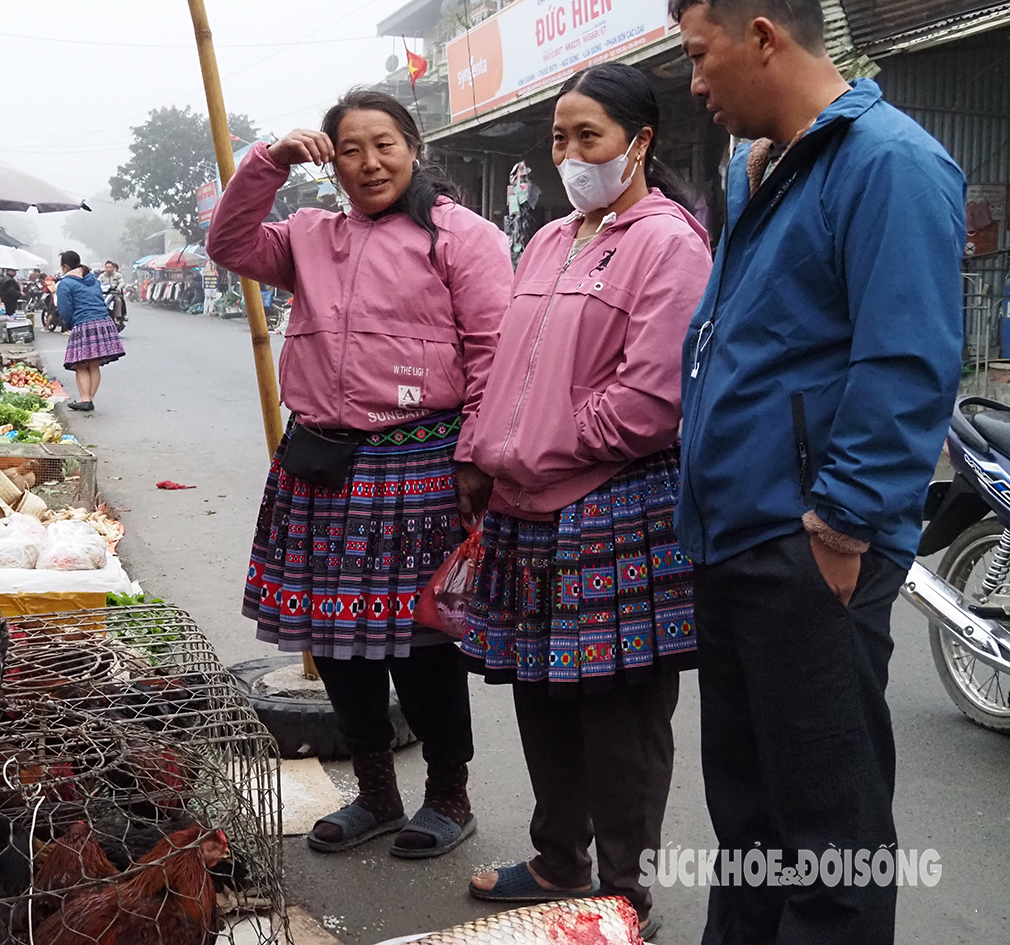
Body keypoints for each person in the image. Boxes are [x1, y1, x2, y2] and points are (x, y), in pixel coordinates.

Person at [668, 2, 966, 943]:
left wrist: (838, 528)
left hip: (806, 549)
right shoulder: (759, 167)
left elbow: (907, 360)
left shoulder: (888, 163)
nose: (693, 83)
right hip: (732, 542)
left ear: (762, 35)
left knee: (828, 841)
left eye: (697, 54)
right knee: (749, 823)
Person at [208, 88, 512, 858]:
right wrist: (268, 161)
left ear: (414, 149)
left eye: (385, 144)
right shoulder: (307, 235)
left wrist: (475, 456)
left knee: (419, 642)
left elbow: (491, 353)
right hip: (321, 460)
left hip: (420, 459)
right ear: (330, 160)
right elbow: (229, 243)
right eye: (351, 148)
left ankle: (448, 794)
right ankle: (375, 795)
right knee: (337, 641)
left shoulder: (461, 236)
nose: (369, 161)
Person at [458, 64, 711, 940]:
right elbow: (502, 367)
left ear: (639, 142)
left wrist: (529, 445)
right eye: (558, 138)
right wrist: (479, 450)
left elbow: (650, 400)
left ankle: (622, 891)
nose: (569, 154)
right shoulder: (545, 238)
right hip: (526, 510)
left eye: (587, 137)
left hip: (612, 505)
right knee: (541, 692)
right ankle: (556, 859)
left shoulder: (668, 242)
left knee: (618, 711)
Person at [57, 250, 125, 411]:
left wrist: (68, 323)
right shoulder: (92, 279)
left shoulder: (66, 283)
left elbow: (65, 310)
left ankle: (85, 399)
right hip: (103, 321)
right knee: (94, 364)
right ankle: (89, 399)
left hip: (83, 323)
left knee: (81, 365)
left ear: (65, 266)